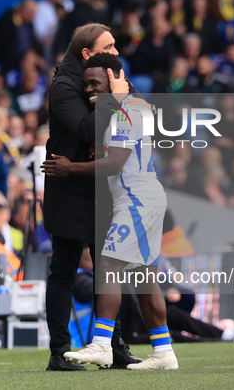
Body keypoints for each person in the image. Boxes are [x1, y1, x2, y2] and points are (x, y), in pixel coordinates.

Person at [43, 52, 178, 370]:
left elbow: (115, 162)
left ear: (116, 78)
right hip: (147, 197)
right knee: (145, 278)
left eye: (95, 83)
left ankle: (102, 345)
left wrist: (70, 167)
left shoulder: (125, 111)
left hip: (135, 201)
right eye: (85, 83)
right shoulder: (133, 107)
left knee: (108, 265)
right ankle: (164, 352)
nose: (89, 89)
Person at [43, 23, 144, 371]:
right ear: (87, 53)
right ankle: (59, 352)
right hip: (69, 186)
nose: (116, 51)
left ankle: (113, 346)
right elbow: (86, 128)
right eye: (109, 46)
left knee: (110, 269)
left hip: (102, 184)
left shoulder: (110, 75)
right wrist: (116, 98)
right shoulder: (63, 86)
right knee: (64, 269)